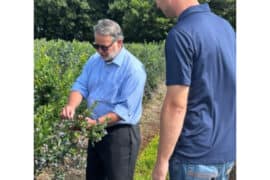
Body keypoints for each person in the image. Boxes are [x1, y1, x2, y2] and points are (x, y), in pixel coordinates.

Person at [152, 1, 236, 180]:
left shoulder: (181, 34)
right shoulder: (226, 28)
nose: (157, 5)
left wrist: (161, 162)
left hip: (194, 156)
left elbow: (176, 105)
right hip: (226, 153)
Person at [60, 19, 146, 180]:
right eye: (96, 46)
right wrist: (71, 106)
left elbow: (124, 110)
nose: (100, 51)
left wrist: (95, 123)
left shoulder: (133, 69)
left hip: (120, 134)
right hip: (96, 129)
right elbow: (81, 85)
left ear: (119, 42)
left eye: (104, 47)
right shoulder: (94, 60)